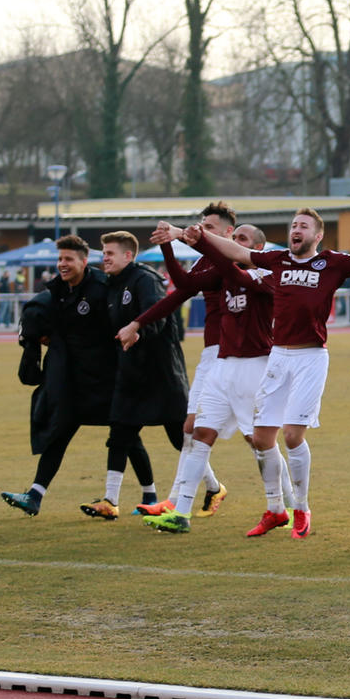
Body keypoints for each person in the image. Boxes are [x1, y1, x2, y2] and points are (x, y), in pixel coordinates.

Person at [193, 207, 350, 539]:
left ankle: (302, 508)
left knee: (292, 435)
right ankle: (275, 509)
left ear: (317, 236)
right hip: (278, 356)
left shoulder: (332, 263)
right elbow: (237, 252)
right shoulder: (278, 260)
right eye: (294, 225)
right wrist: (200, 237)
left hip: (311, 358)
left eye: (303, 226)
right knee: (262, 438)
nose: (296, 229)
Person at [140, 222, 277, 533]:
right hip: (223, 365)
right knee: (199, 433)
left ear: (255, 249)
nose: (233, 242)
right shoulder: (223, 271)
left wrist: (198, 240)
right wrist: (169, 245)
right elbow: (185, 281)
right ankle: (181, 512)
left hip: (255, 366)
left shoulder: (264, 273)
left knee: (260, 441)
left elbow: (236, 275)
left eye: (240, 239)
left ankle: (281, 505)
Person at [124, 204, 242, 521]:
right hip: (212, 355)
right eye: (201, 225)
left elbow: (184, 286)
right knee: (191, 429)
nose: (202, 232)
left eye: (210, 228)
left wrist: (174, 237)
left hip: (237, 357)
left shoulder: (232, 257)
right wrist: (136, 324)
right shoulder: (208, 258)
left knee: (259, 438)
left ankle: (286, 504)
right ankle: (180, 501)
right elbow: (180, 288)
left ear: (229, 232)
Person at [1, 236, 115, 516]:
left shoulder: (102, 288)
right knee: (59, 433)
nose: (62, 265)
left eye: (69, 259)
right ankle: (35, 496)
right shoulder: (59, 290)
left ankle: (153, 494)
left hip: (104, 379)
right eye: (60, 259)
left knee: (126, 434)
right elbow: (48, 315)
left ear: (84, 261)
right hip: (72, 380)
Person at [85, 231, 187, 519]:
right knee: (119, 434)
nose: (104, 258)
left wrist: (138, 332)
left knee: (180, 439)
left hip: (160, 374)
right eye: (103, 253)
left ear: (128, 255)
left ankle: (213, 487)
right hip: (130, 374)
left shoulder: (144, 279)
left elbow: (160, 315)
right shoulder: (112, 286)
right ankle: (110, 500)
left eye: (110, 253)